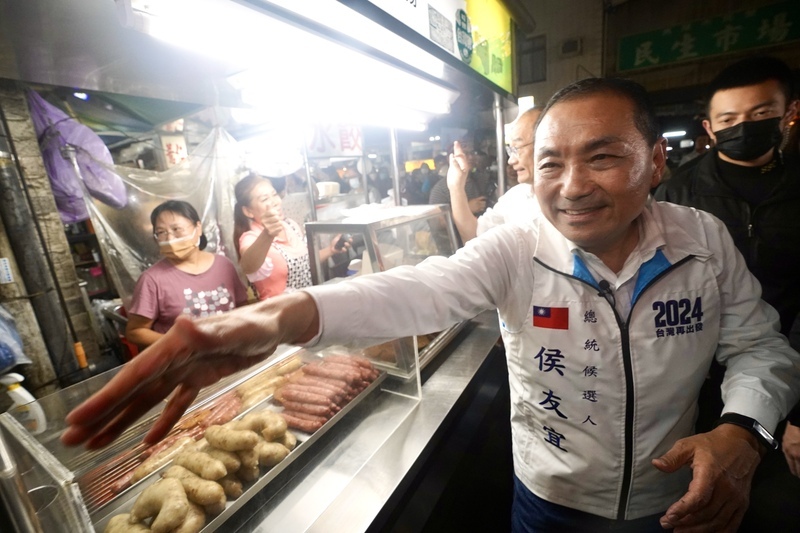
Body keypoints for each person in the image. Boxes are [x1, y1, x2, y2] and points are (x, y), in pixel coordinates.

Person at [62, 78, 800, 533]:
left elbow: (762, 347)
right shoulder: (517, 243)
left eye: (602, 156)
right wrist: (279, 319)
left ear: (657, 161)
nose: (571, 185)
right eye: (551, 161)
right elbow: (422, 286)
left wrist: (742, 432)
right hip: (549, 500)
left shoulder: (701, 241)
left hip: (681, 499)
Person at [653, 55, 800, 531]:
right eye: (730, 120)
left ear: (789, 111)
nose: (745, 128)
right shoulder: (678, 196)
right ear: (710, 128)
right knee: (698, 495)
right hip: (694, 376)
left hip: (787, 368)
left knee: (771, 502)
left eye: (760, 115)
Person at [125, 200, 247, 348]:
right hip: (187, 364)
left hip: (229, 354)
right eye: (161, 233)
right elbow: (135, 331)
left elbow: (242, 307)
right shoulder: (152, 280)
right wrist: (181, 344)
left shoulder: (224, 265)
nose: (170, 239)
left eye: (177, 229)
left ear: (198, 228)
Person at [233, 173, 349, 300]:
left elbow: (304, 262)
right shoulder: (251, 237)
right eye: (265, 199)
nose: (275, 202)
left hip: (309, 304)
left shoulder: (290, 226)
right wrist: (267, 234)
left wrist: (330, 250)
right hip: (280, 313)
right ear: (248, 211)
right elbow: (248, 266)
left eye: (274, 194)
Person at [446, 106, 543, 242]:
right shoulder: (517, 197)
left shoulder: (574, 201)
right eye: (511, 150)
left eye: (518, 148)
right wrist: (456, 186)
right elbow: (474, 236)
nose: (511, 160)